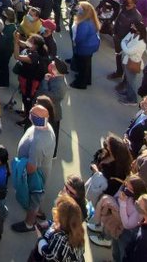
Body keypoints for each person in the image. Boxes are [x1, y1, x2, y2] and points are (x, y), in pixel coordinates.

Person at [11, 103, 56, 233]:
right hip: (41, 168)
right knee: (37, 197)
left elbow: (31, 167)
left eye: (32, 113)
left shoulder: (38, 142)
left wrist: (21, 173)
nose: (29, 114)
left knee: (34, 197)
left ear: (36, 118)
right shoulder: (45, 127)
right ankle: (39, 212)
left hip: (36, 174)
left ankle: (29, 224)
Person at [30, 196, 85, 262]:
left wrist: (40, 238)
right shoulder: (78, 231)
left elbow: (48, 255)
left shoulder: (60, 239)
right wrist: (49, 223)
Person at [70, 2, 101, 89]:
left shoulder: (84, 23)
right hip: (91, 46)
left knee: (82, 66)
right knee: (87, 64)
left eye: (80, 8)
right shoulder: (91, 19)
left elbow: (80, 37)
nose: (78, 9)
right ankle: (87, 79)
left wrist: (75, 43)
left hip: (84, 47)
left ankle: (81, 83)